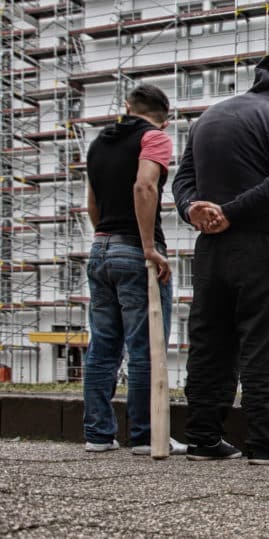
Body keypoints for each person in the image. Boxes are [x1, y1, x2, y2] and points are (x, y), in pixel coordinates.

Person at [172, 55, 269, 465]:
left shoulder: (208, 118)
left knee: (210, 341)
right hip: (261, 242)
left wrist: (193, 209)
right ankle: (267, 443)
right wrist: (232, 210)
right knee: (263, 341)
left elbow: (182, 179)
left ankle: (202, 437)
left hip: (210, 248)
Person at [83, 84, 185, 456]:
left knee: (103, 345)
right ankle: (144, 436)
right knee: (145, 345)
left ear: (128, 107)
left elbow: (92, 201)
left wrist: (104, 237)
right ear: (165, 116)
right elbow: (145, 186)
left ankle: (97, 434)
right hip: (134, 251)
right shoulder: (155, 138)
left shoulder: (98, 144)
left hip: (101, 247)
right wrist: (146, 247)